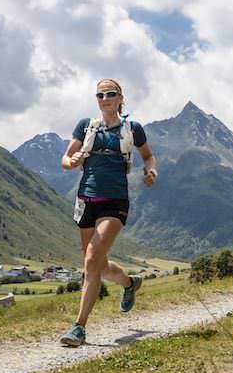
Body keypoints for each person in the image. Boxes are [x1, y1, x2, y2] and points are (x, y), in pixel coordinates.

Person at [58, 79, 158, 347]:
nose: (105, 98)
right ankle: (128, 283)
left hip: (115, 201)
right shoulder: (86, 126)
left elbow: (148, 156)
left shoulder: (132, 128)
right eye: (100, 95)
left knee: (91, 260)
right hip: (86, 199)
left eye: (110, 94)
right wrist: (73, 161)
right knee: (97, 265)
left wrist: (150, 171)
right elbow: (66, 159)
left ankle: (78, 328)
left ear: (120, 97)